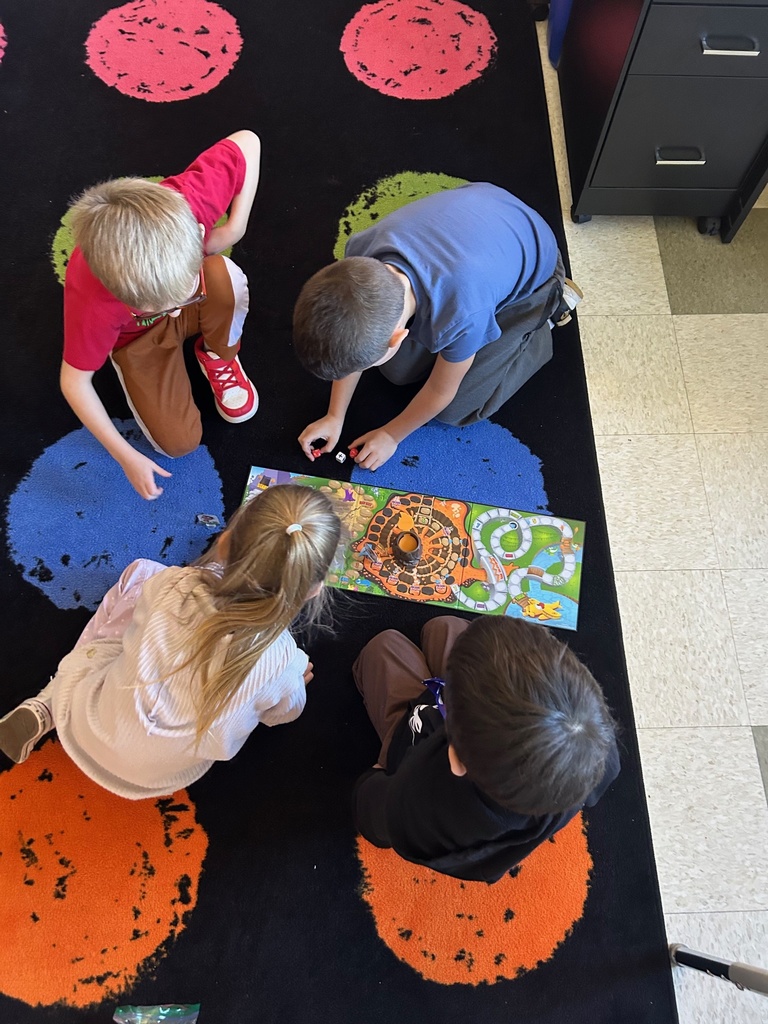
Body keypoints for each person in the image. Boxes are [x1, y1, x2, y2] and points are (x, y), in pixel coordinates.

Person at [0, 485, 341, 799]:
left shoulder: (173, 585)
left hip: (90, 726)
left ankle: (48, 703)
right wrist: (293, 682)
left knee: (140, 573)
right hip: (158, 777)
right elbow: (283, 715)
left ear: (223, 542)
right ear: (313, 590)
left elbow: (145, 622)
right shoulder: (283, 661)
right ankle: (52, 703)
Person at [295, 182, 581, 471]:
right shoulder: (359, 255)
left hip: (537, 274)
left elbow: (442, 391)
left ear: (398, 338)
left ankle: (547, 315)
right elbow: (352, 332)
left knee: (456, 410)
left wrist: (391, 435)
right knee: (396, 370)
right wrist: (335, 415)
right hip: (484, 216)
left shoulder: (462, 313)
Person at [62, 130, 262, 500]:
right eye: (162, 303)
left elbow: (249, 142)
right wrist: (125, 456)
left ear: (197, 230)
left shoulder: (186, 205)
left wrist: (235, 227)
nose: (176, 306)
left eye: (185, 287)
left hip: (172, 284)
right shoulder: (94, 300)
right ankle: (142, 360)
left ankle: (218, 354)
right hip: (138, 339)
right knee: (178, 443)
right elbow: (74, 382)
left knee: (224, 276)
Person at [352, 615, 619, 883]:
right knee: (444, 627)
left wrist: (373, 780)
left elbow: (377, 815)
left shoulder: (424, 802)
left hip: (415, 734)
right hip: (475, 741)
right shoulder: (592, 746)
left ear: (455, 760)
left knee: (384, 647)